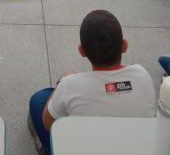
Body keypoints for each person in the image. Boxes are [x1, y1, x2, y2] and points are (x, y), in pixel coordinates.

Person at [28, 10, 155, 154]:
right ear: (124, 45)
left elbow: (48, 123)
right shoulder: (143, 75)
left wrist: (64, 80)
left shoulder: (70, 85)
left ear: (81, 51)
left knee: (39, 99)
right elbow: (114, 89)